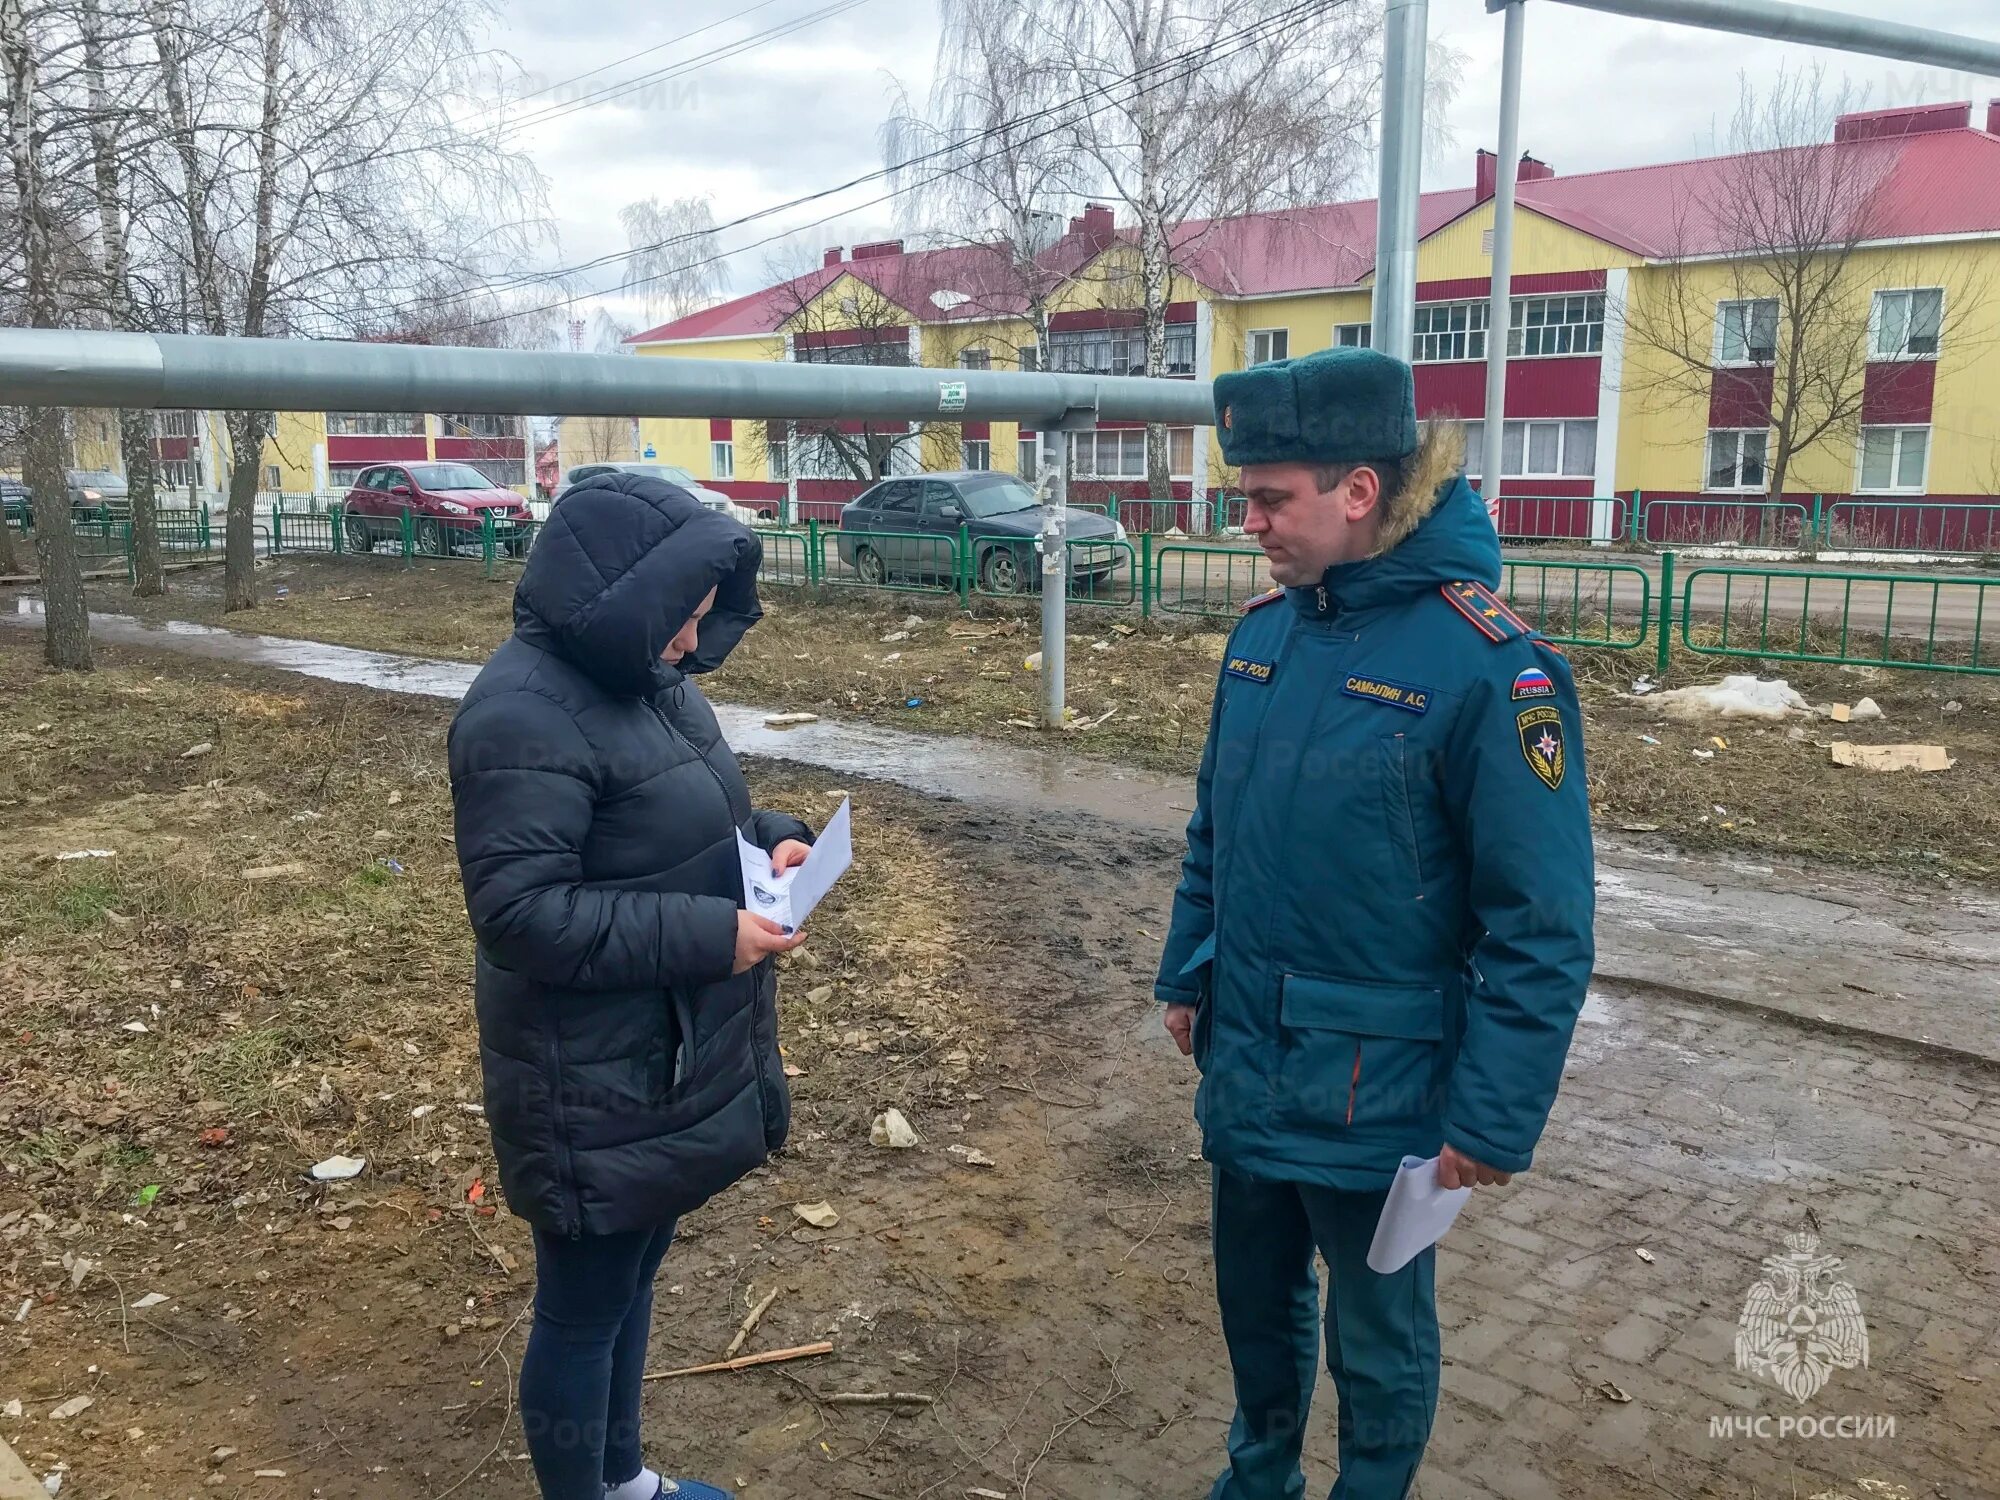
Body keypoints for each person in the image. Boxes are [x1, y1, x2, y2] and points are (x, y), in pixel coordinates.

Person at [1154, 346, 1596, 1499]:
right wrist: (1182, 970)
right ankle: (1256, 1478)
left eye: (1268, 499)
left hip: (1378, 1092)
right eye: (1240, 497)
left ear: (1357, 490)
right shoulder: (1264, 635)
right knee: (1252, 1304)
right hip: (1246, 1056)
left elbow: (1538, 924)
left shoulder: (1489, 666)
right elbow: (1217, 828)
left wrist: (1492, 1119)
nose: (1245, 521)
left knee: (1376, 1341)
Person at [448, 472, 815, 1500]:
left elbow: (689, 823)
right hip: (585, 1074)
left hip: (659, 1057)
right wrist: (711, 933)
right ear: (620, 598)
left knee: (632, 1273)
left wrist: (775, 841)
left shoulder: (649, 685)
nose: (694, 642)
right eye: (681, 620)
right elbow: (520, 915)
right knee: (583, 1304)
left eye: (701, 620)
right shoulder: (517, 717)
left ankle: (623, 1481)